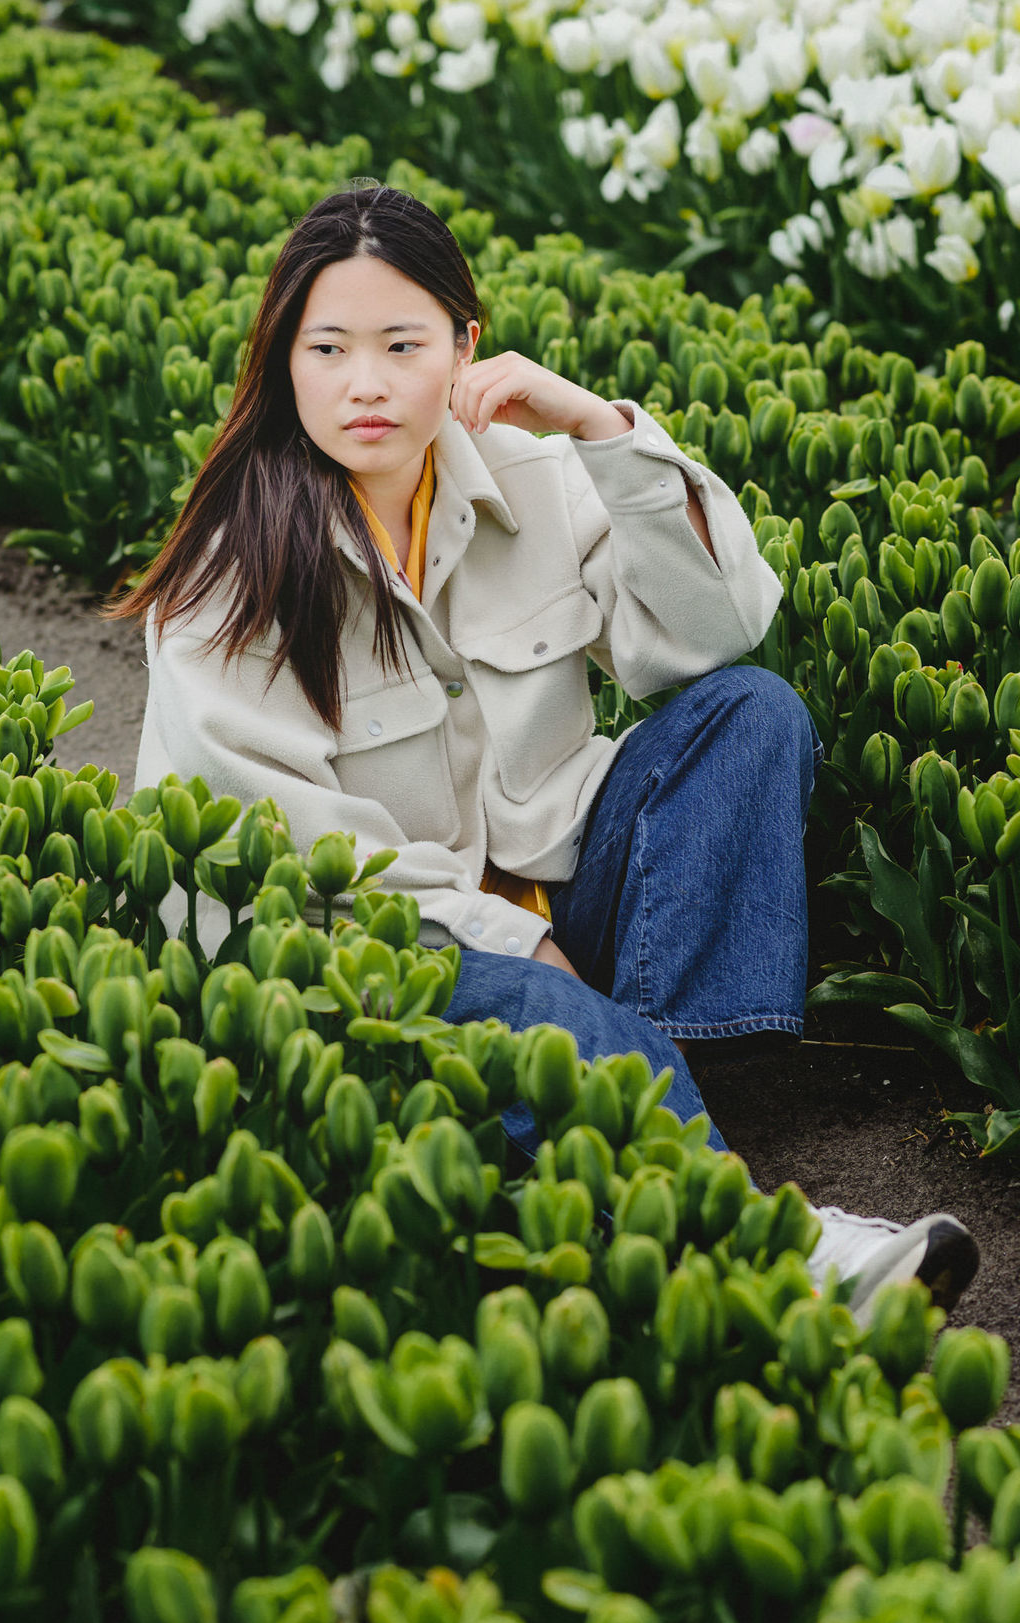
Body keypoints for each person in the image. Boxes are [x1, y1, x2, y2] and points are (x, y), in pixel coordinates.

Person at [117, 182, 978, 1325]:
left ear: (466, 346)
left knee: (751, 716)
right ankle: (763, 1252)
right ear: (283, 361)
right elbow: (302, 864)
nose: (364, 381)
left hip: (550, 896)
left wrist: (601, 432)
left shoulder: (526, 474)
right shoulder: (234, 574)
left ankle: (626, 1123)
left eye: (401, 343)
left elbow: (715, 633)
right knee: (540, 1013)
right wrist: (516, 942)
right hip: (372, 954)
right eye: (326, 347)